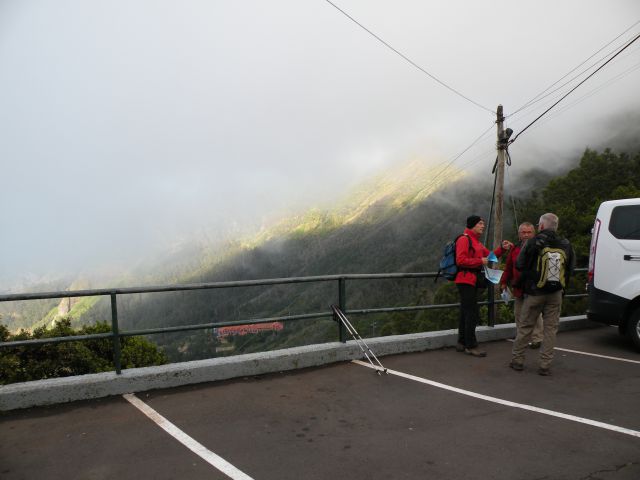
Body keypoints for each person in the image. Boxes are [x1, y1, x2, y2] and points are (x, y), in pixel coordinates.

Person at [510, 212, 575, 375]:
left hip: (534, 292)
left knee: (525, 326)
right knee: (550, 329)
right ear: (556, 226)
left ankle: (517, 360)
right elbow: (570, 268)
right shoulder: (565, 244)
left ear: (541, 226)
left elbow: (519, 264)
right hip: (556, 293)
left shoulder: (533, 242)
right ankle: (545, 365)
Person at [455, 215, 512, 357]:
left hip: (472, 280)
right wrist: (479, 261)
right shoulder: (464, 239)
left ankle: (462, 342)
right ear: (472, 225)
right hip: (465, 280)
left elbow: (490, 256)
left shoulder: (476, 242)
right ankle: (471, 346)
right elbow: (460, 260)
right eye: (480, 223)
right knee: (471, 313)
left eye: (483, 224)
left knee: (465, 312)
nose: (483, 226)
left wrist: (502, 249)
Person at [500, 222, 544, 349]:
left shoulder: (539, 247)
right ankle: (522, 338)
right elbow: (508, 267)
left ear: (534, 233)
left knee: (535, 314)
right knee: (519, 313)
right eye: (523, 232)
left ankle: (537, 339)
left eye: (529, 232)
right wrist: (503, 282)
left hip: (534, 287)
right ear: (519, 234)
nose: (526, 235)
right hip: (518, 287)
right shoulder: (514, 249)